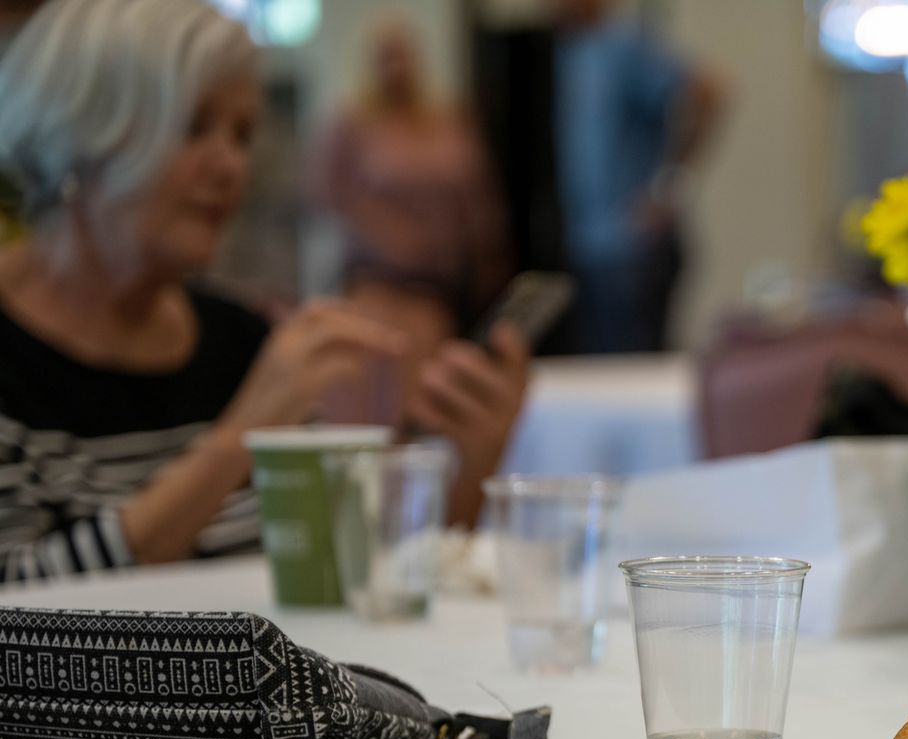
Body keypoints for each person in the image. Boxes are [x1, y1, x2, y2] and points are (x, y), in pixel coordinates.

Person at [0, 0, 528, 584]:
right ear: (76, 132)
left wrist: (471, 461)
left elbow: (353, 577)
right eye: (192, 127)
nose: (230, 165)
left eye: (242, 134)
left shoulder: (239, 340)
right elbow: (21, 609)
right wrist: (236, 442)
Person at [310, 16, 511, 346]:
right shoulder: (352, 123)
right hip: (378, 280)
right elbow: (325, 192)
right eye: (386, 56)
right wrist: (382, 230)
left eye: (401, 55)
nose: (395, 67)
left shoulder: (447, 120)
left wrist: (489, 254)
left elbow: (478, 195)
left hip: (442, 282)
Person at [549, 0, 726, 353]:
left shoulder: (625, 46)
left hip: (628, 246)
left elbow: (708, 92)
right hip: (579, 247)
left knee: (629, 369)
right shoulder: (557, 52)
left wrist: (668, 186)